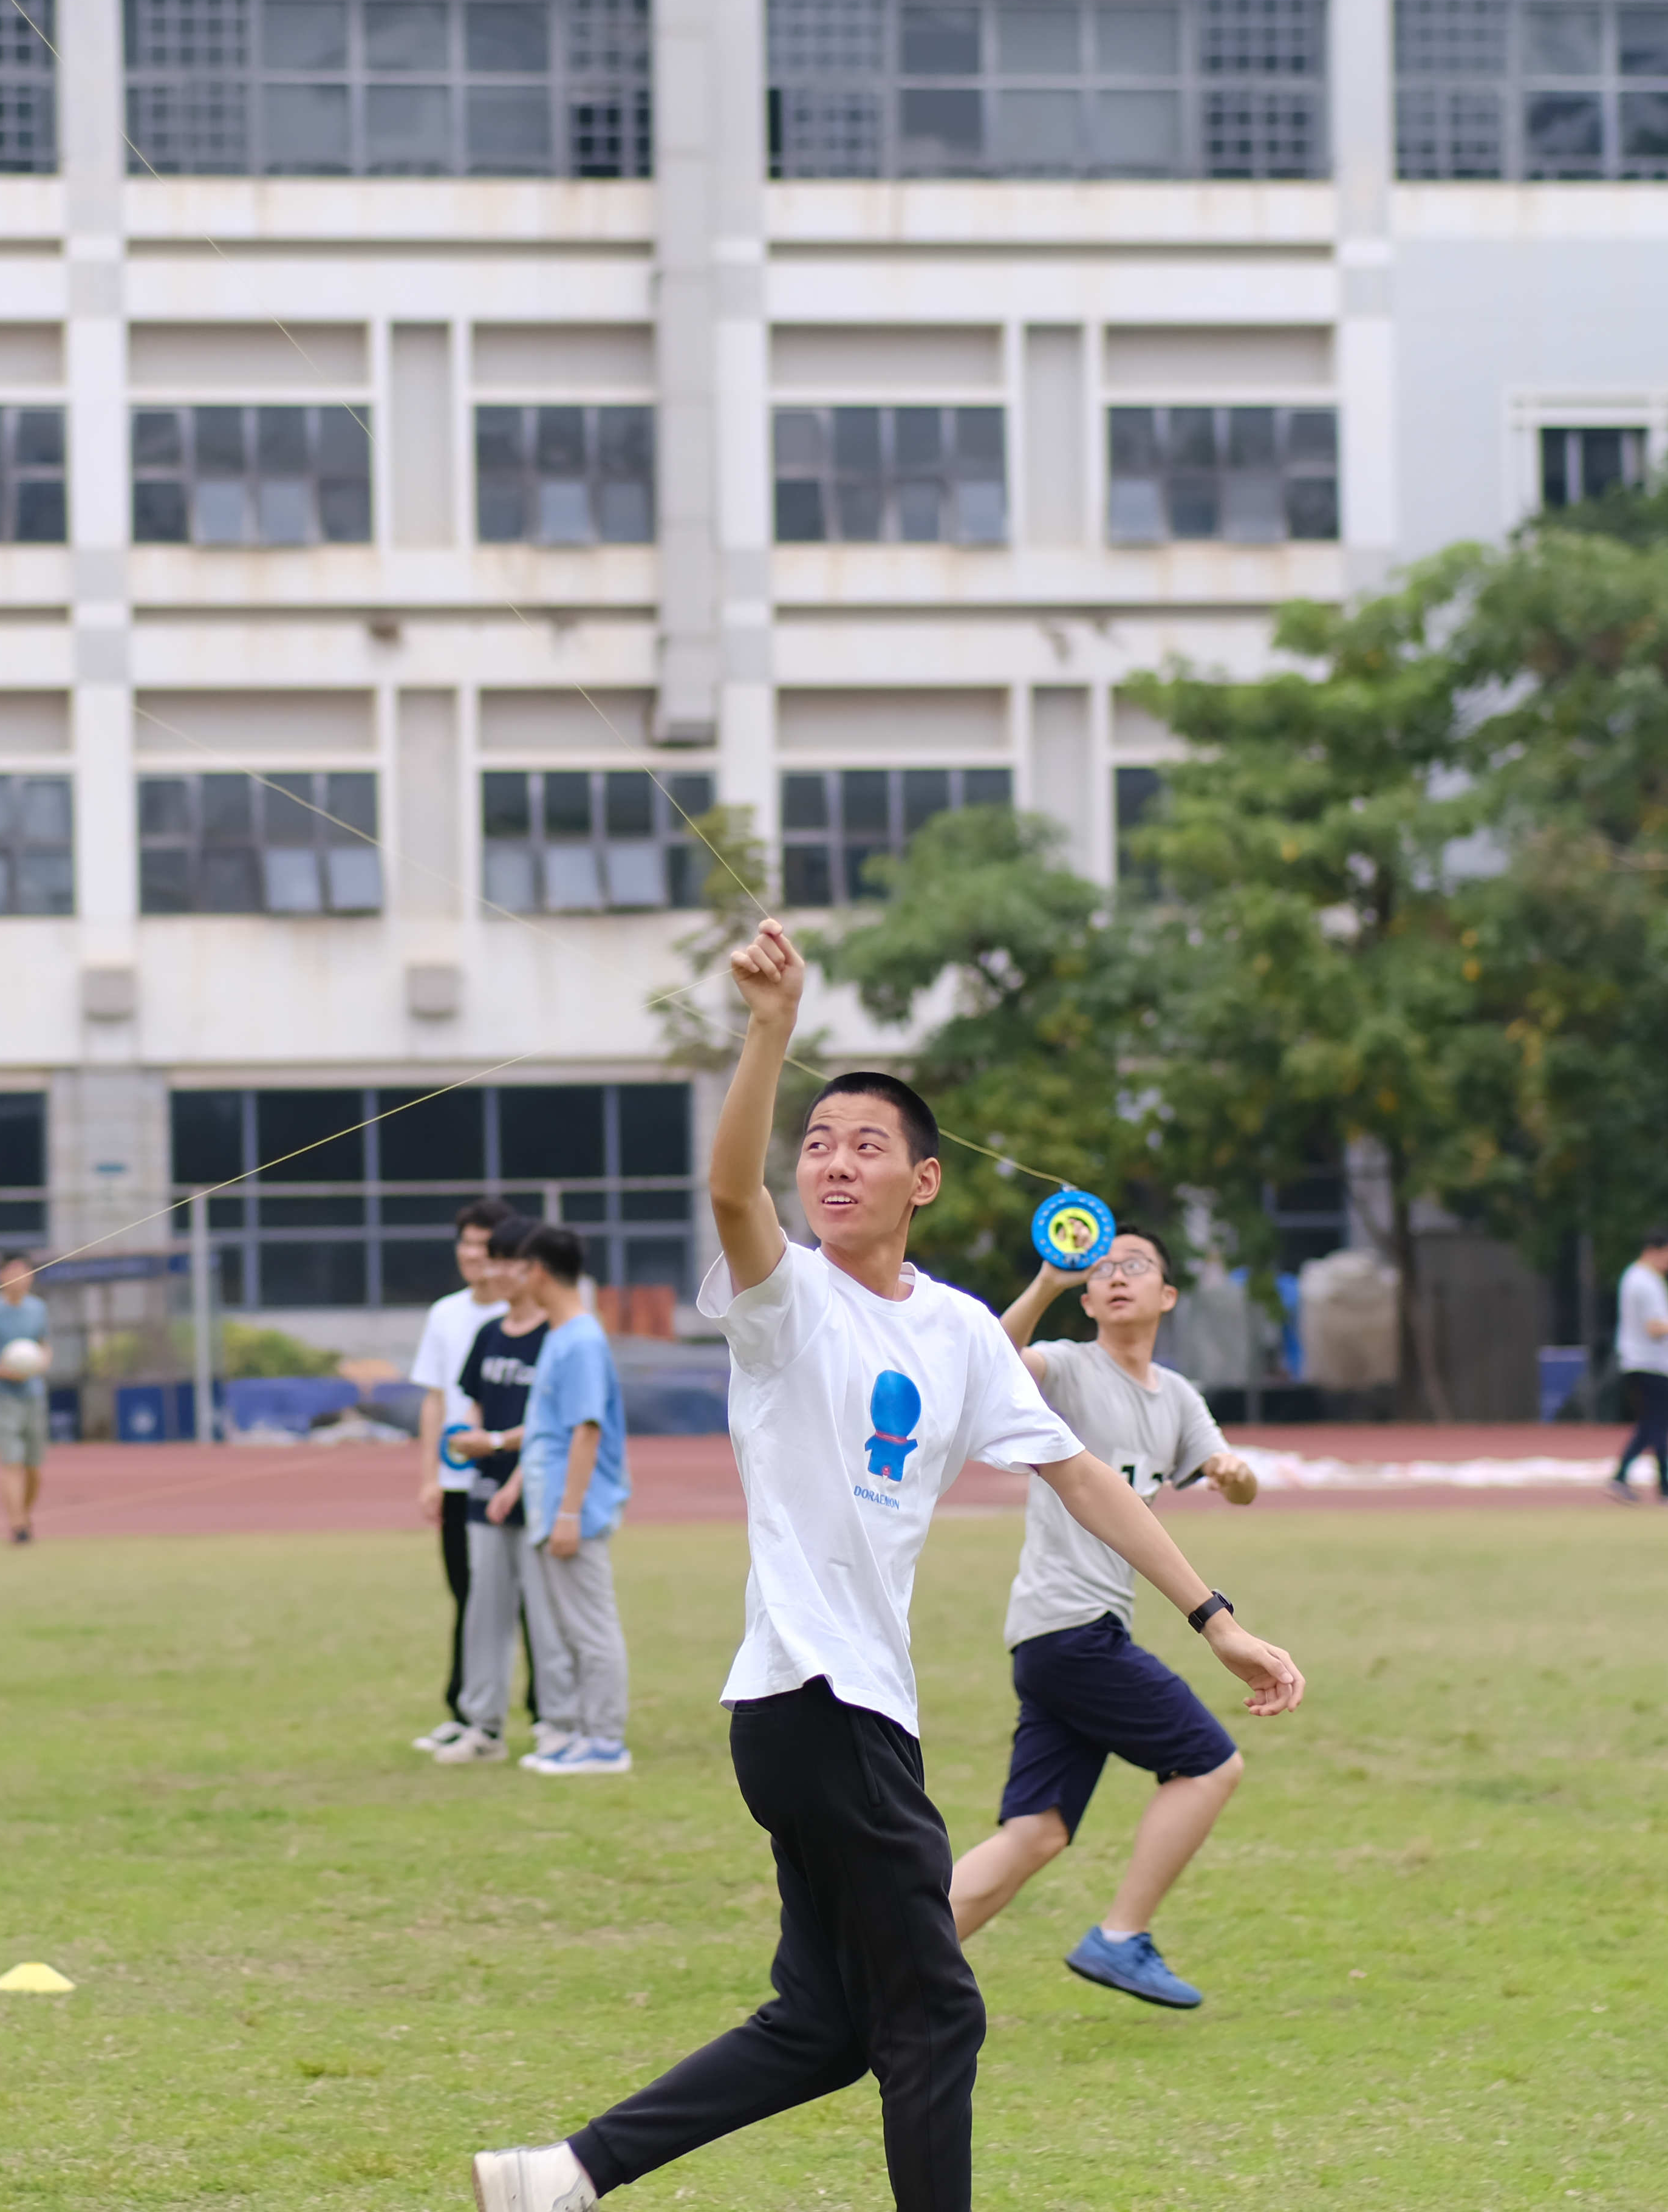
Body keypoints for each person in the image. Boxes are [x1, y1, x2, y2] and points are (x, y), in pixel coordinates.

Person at [469, 919, 1304, 2212]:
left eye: (868, 1145)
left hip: (851, 1712)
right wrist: (769, 1030)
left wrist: (1215, 1616)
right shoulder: (785, 1296)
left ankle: (565, 2174)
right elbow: (733, 1194)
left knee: (826, 2023)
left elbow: (1081, 1475)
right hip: (813, 1695)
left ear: (924, 1181)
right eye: (820, 1142)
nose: (834, 1162)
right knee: (936, 2022)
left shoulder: (964, 1329)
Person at [963, 1225, 1264, 2008]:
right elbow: (992, 1361)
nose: (1117, 1275)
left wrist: (1233, 1473)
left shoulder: (1178, 1397)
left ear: (1167, 1294)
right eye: (1102, 1269)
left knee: (1038, 1833)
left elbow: (1235, 1482)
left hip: (1066, 1635)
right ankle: (1121, 1937)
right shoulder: (1064, 1366)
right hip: (1070, 1626)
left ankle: (873, 1960)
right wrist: (1045, 1283)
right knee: (1210, 1763)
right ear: (1088, 1295)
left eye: (1138, 1265)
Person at [507, 1220, 632, 1778]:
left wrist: (569, 1513)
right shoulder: (561, 1336)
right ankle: (582, 1732)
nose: (512, 1277)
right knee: (563, 1629)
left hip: (572, 1508)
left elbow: (586, 1430)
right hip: (548, 1503)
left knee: (590, 1628)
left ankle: (606, 1741)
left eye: (518, 1266)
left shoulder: (581, 1339)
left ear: (537, 1271)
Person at [435, 1217, 553, 1766]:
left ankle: (557, 1723)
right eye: (495, 1260)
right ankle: (482, 1726)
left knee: (547, 1616)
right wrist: (465, 1441)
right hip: (484, 1497)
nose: (498, 1271)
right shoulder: (487, 1335)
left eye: (511, 1261)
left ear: (535, 1271)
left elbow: (559, 1422)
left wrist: (513, 1473)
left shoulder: (557, 1335)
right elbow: (473, 1405)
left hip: (536, 1498)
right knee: (484, 1612)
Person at [408, 1198, 521, 1754]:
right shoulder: (446, 1314)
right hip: (459, 1480)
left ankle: (547, 1714)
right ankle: (467, 1709)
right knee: (469, 1598)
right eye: (467, 1243)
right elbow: (435, 1399)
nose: (474, 1255)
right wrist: (430, 1475)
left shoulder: (525, 1312)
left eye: (486, 1245)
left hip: (514, 1472)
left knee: (530, 1603)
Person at [1608, 1229, 1668, 1504]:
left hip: (1647, 1362)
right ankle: (1658, 1487)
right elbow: (1656, 1327)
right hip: (1649, 1362)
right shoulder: (1644, 1281)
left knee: (1654, 1426)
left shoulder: (1642, 1278)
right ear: (1653, 1250)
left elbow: (1664, 1318)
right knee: (1657, 1426)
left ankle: (1649, 1483)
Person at [0, 1251, 52, 1545]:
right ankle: (17, 1525)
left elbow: (45, 1348)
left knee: (33, 1467)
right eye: (12, 1272)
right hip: (3, 1397)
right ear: (1, 1277)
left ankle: (23, 1517)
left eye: (24, 1272)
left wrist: (39, 1365)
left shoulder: (38, 1309)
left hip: (34, 1395)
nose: (19, 1279)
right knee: (11, 1462)